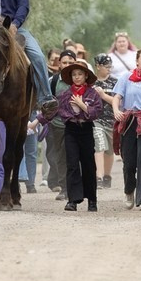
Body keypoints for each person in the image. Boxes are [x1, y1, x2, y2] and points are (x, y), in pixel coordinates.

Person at [105, 48, 141, 211]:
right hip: (129, 121)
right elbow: (117, 97)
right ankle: (129, 190)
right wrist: (116, 110)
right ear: (137, 61)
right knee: (129, 162)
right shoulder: (126, 78)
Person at [45, 58, 103, 212]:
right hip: (70, 130)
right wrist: (35, 122)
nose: (77, 77)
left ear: (85, 76)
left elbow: (97, 112)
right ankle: (73, 200)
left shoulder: (92, 93)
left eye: (80, 74)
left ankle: (92, 200)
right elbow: (53, 110)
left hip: (86, 130)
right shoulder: (65, 94)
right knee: (71, 164)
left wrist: (83, 105)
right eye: (74, 75)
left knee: (88, 165)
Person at [44, 47, 77, 199]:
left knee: (76, 156)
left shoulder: (83, 80)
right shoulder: (54, 81)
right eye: (65, 62)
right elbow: (47, 102)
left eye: (71, 62)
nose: (68, 64)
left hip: (78, 125)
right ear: (60, 64)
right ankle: (64, 188)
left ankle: (77, 186)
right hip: (57, 125)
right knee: (60, 156)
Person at [91, 53, 117, 189]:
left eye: (110, 66)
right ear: (98, 66)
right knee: (99, 146)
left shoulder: (115, 82)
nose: (109, 69)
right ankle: (99, 176)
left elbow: (117, 102)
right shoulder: (91, 82)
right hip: (96, 120)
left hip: (112, 120)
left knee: (109, 151)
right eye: (106, 66)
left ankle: (107, 175)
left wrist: (102, 95)